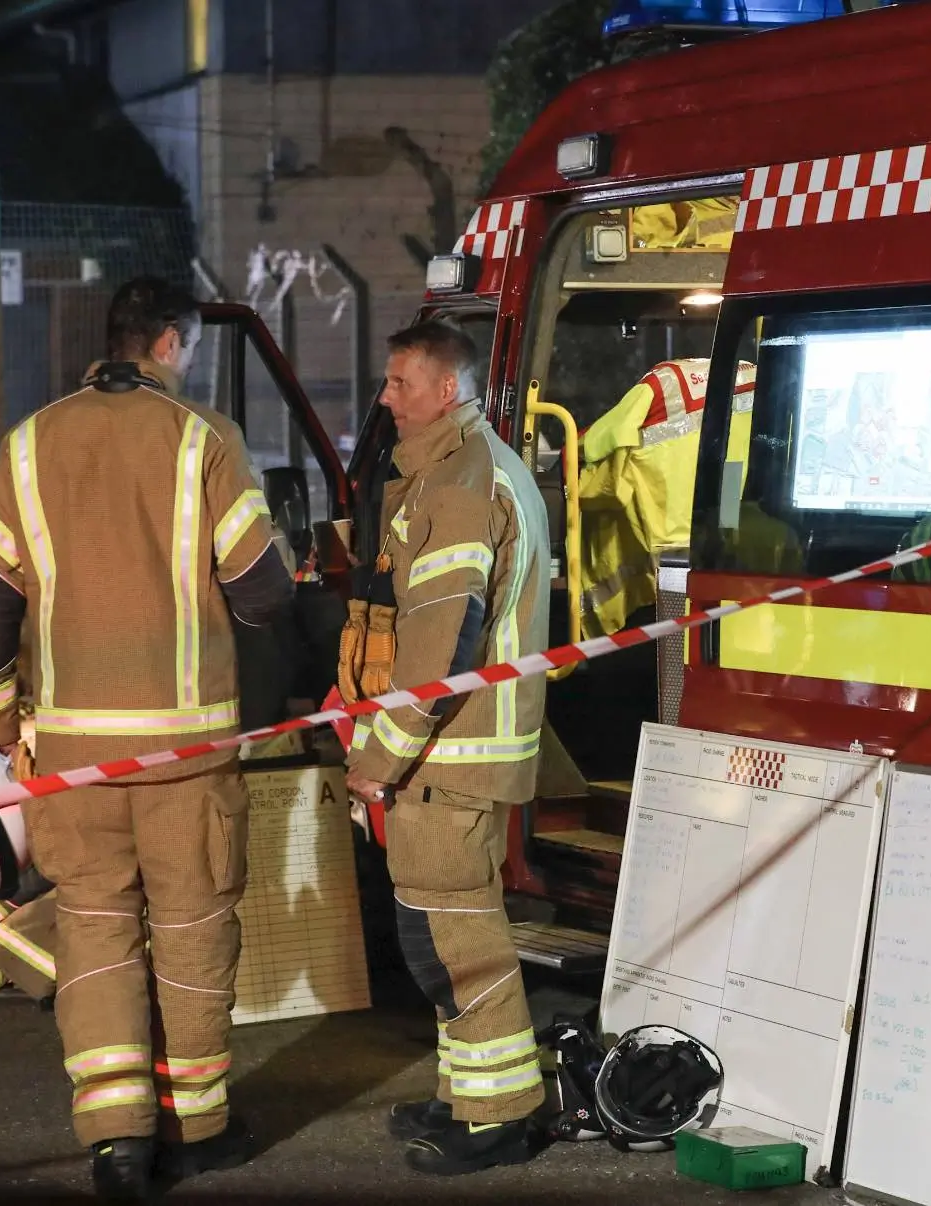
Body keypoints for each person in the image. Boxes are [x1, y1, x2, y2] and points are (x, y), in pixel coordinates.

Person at [0, 276, 294, 1199]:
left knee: (95, 939)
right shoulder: (203, 442)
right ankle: (199, 1127)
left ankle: (116, 1142)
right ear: (173, 344)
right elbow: (263, 592)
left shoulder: (29, 446)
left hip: (70, 763)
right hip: (188, 760)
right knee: (191, 933)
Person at [343, 320, 551, 1176]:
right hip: (456, 751)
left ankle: (502, 1116)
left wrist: (375, 759)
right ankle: (466, 1092)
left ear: (447, 391)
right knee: (442, 928)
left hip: (447, 755)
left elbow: (439, 653)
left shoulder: (462, 486)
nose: (384, 398)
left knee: (454, 941)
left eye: (398, 383)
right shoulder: (463, 468)